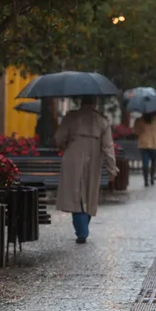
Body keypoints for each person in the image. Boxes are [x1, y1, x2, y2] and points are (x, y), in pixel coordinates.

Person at [55, 96, 119, 244]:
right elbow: (108, 147)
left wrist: (65, 146)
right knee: (89, 195)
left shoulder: (71, 117)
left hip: (73, 159)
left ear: (81, 102)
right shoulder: (102, 121)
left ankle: (81, 230)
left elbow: (59, 137)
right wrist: (112, 169)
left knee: (75, 195)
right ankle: (83, 228)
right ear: (95, 103)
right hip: (94, 160)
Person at [134, 112, 156, 187]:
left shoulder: (139, 120)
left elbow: (136, 132)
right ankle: (152, 179)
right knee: (154, 162)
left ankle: (146, 180)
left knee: (145, 163)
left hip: (143, 144)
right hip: (154, 144)